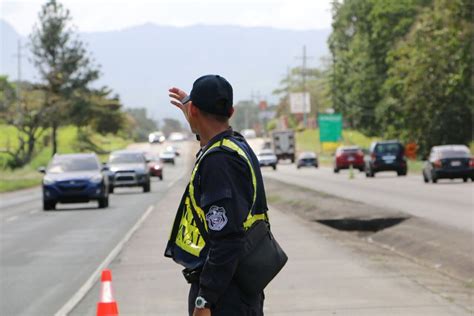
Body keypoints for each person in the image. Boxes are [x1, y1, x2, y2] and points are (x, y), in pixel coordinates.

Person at [165, 75, 270, 316]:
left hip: (224, 296)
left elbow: (227, 239)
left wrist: (205, 300)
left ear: (194, 110)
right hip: (238, 288)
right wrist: (193, 117)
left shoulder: (219, 162)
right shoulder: (235, 146)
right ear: (231, 111)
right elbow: (212, 140)